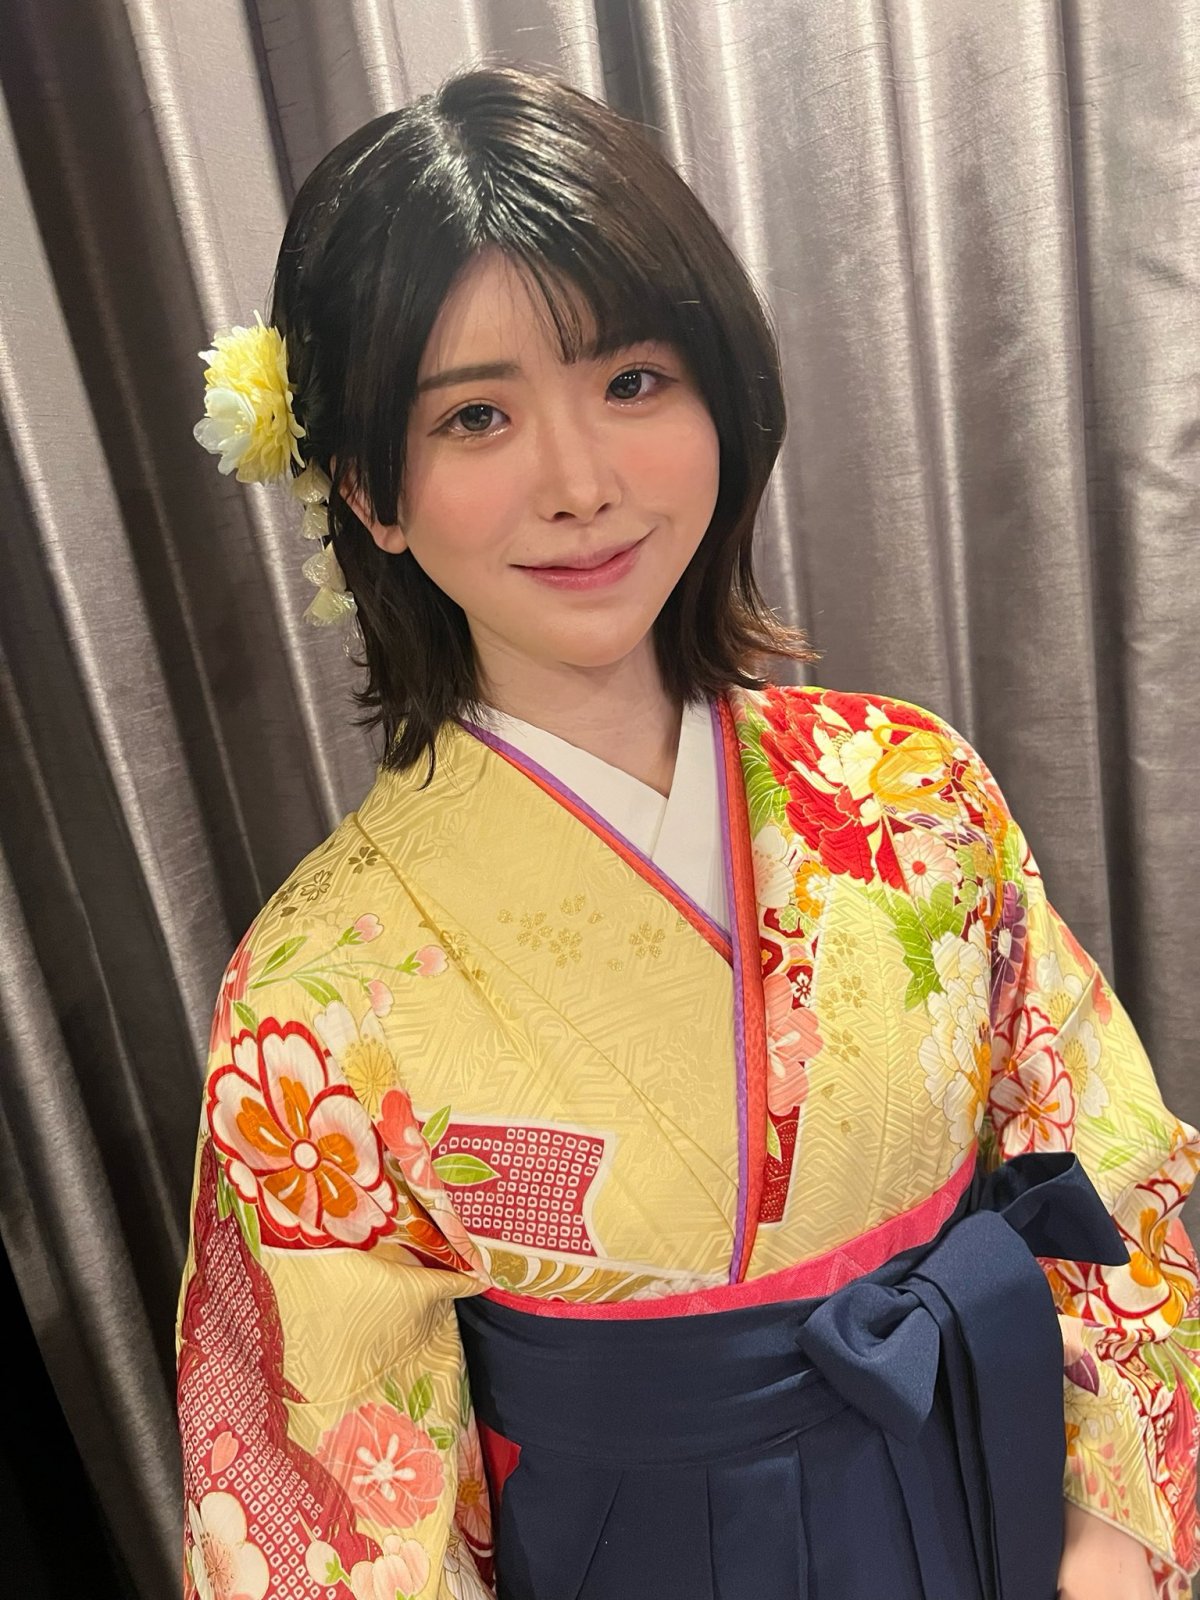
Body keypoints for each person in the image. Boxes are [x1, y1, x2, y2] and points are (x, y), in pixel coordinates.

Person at [178, 63, 1200, 1600]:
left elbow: (1104, 1157)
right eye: (476, 415)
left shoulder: (907, 784)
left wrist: (1110, 1527)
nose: (581, 483)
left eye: (634, 381)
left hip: (1005, 1492)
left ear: (723, 393)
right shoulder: (317, 997)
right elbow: (321, 1495)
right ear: (369, 492)